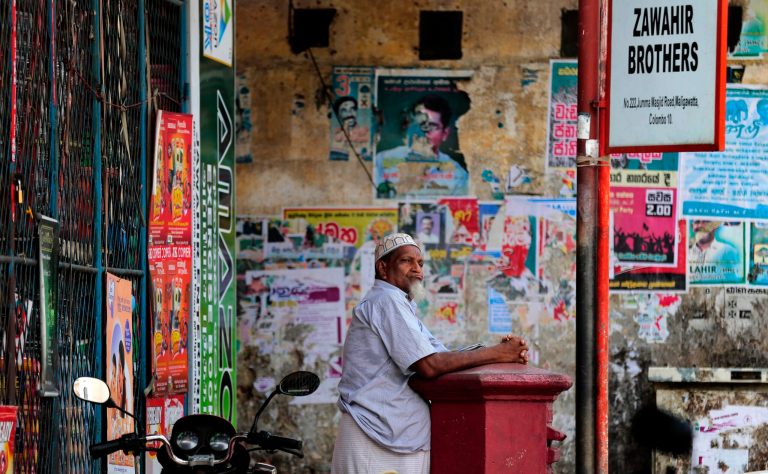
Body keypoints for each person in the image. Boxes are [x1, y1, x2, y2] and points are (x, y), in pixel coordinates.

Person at [331, 233, 529, 473]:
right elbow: (430, 365)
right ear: (383, 268)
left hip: (394, 436)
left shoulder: (401, 305)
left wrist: (496, 351)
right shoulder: (386, 300)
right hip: (373, 435)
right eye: (407, 261)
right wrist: (499, 354)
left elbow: (443, 356)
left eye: (421, 263)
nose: (417, 270)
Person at [375, 95, 469, 196]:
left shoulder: (459, 176)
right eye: (418, 125)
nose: (422, 133)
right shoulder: (381, 161)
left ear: (445, 134)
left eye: (432, 126)